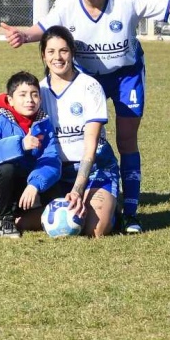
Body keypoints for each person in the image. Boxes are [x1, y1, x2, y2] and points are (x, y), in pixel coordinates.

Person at [1, 0, 170, 233]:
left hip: (126, 75)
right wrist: (24, 35)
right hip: (88, 75)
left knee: (127, 140)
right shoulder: (67, 2)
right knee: (87, 134)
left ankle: (130, 212)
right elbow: (45, 27)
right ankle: (78, 190)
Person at [38, 26, 120, 237]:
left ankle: (112, 209)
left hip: (95, 169)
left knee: (94, 230)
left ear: (72, 52)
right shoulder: (38, 91)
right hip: (56, 172)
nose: (58, 57)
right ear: (43, 55)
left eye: (64, 51)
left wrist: (78, 189)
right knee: (29, 220)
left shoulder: (89, 87)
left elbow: (90, 146)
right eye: (51, 51)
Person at [0, 72, 61, 238]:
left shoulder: (43, 123)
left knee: (55, 186)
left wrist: (35, 185)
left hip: (24, 180)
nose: (29, 100)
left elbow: (51, 158)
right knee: (6, 168)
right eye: (22, 95)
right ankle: (4, 217)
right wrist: (21, 144)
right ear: (10, 100)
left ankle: (23, 210)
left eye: (34, 94)